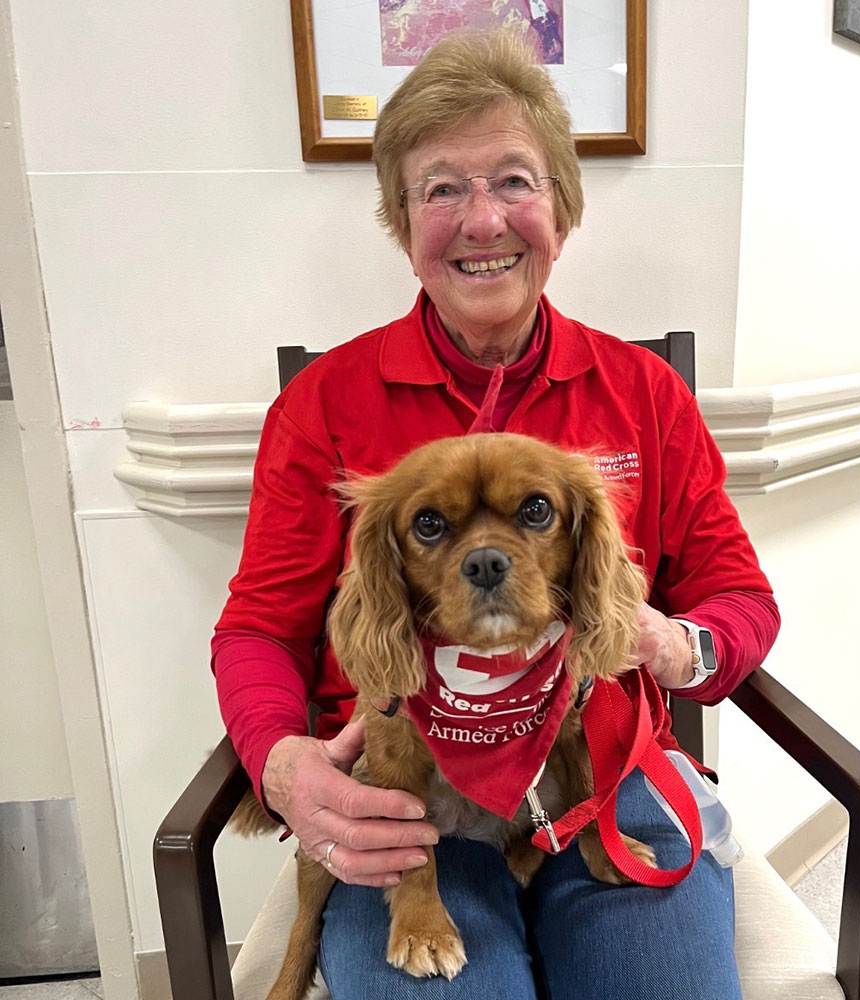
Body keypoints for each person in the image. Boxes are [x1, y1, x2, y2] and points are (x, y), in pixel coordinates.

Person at [213, 30, 779, 1000]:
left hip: (599, 774)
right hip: (407, 791)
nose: (483, 221)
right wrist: (281, 764)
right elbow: (260, 625)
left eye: (514, 181)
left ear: (561, 206)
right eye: (441, 189)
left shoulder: (639, 390)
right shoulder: (326, 404)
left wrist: (676, 645)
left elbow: (737, 596)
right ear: (401, 218)